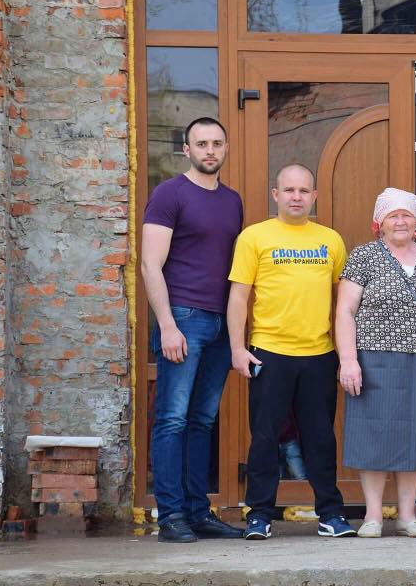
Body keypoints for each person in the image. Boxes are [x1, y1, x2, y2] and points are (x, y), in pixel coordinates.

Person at [227, 164, 356, 540]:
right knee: (265, 438)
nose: (296, 197)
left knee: (321, 438)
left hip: (319, 354)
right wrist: (237, 348)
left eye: (303, 191)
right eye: (289, 190)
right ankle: (259, 515)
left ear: (314, 196)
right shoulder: (254, 237)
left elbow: (344, 303)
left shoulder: (330, 240)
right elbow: (238, 296)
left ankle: (331, 514)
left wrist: (345, 353)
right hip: (269, 352)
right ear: (276, 195)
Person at [141, 116, 245, 543]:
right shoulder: (169, 194)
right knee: (172, 420)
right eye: (201, 144)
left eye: (217, 143)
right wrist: (167, 325)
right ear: (187, 149)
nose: (210, 150)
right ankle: (171, 517)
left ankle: (199, 512)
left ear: (225, 148)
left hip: (220, 323)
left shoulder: (232, 200)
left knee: (202, 421)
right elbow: (150, 264)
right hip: (183, 318)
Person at [335, 188, 416, 538]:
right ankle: (373, 515)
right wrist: (348, 359)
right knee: (373, 434)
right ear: (380, 222)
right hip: (373, 359)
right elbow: (345, 311)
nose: (401, 221)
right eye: (393, 215)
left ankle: (407, 515)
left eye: (407, 214)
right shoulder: (364, 256)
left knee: (415, 434)